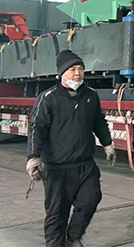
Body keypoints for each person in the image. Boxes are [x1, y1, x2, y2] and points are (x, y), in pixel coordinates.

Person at [26, 50, 116, 247]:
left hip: (85, 165)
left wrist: (108, 144)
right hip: (57, 168)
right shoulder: (47, 98)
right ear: (61, 73)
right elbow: (37, 128)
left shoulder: (90, 95)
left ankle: (73, 237)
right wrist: (33, 157)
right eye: (72, 69)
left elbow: (98, 122)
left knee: (91, 200)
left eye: (81, 69)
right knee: (57, 212)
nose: (77, 74)